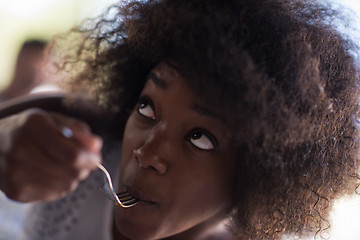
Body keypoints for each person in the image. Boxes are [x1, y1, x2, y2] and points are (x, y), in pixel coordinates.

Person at [0, 0, 359, 239]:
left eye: (200, 137)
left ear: (255, 175)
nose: (147, 153)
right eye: (146, 107)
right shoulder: (71, 129)